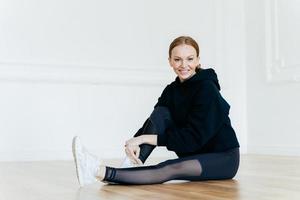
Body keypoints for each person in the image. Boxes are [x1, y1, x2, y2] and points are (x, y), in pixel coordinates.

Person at [72, 36, 240, 186]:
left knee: (169, 168)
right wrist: (135, 140)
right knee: (162, 113)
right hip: (195, 151)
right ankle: (130, 166)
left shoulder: (207, 89)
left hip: (222, 157)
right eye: (177, 60)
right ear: (170, 61)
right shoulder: (172, 90)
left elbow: (192, 139)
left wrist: (144, 138)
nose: (184, 65)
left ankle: (97, 171)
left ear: (198, 60)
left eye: (190, 59)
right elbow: (155, 121)